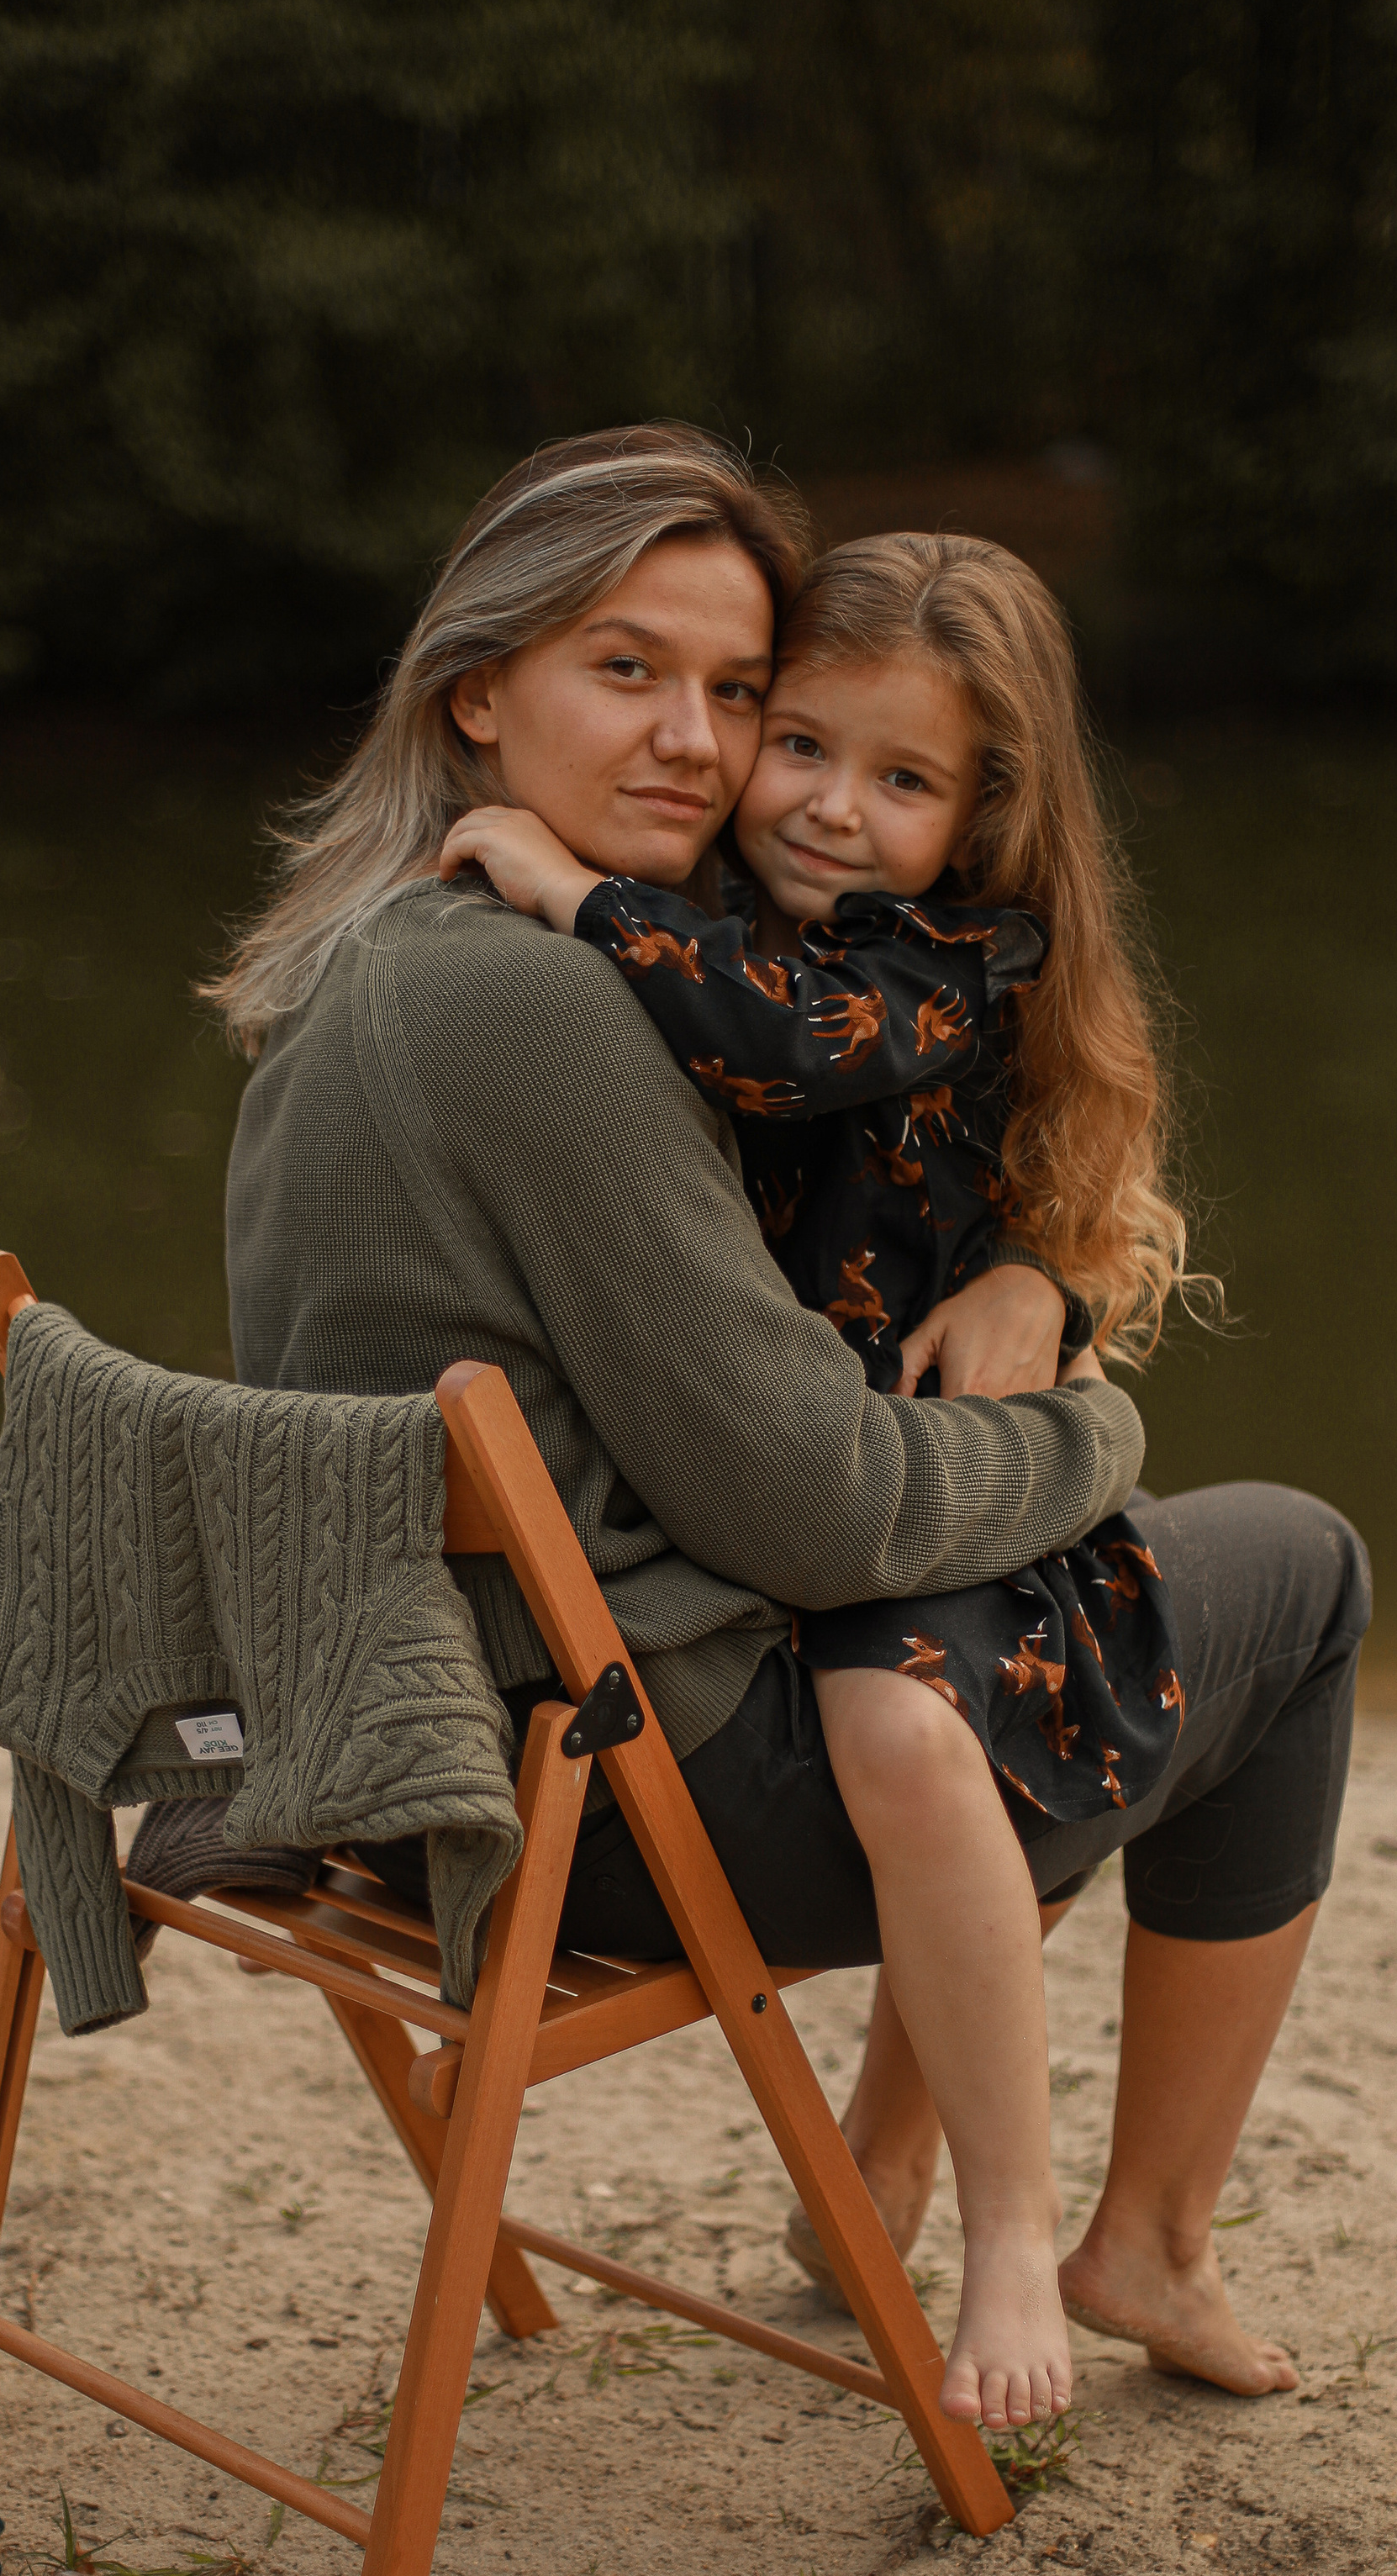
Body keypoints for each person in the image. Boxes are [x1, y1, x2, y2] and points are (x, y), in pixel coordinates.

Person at [209, 422, 1369, 2420]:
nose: (695, 739)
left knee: (1019, 1618)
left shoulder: (388, 953)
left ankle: (896, 2167)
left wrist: (1040, 1283)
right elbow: (822, 1505)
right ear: (478, 689)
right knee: (1285, 1579)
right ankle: (1138, 2239)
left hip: (395, 1751)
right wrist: (1088, 1420)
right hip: (603, 1811)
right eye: (624, 667)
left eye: (730, 689)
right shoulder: (550, 1001)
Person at [429, 532, 1184, 2431]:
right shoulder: (714, 919)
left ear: (979, 816)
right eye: (803, 746)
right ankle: (887, 2147)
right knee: (953, 1766)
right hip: (795, 1471)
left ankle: (1009, 2229)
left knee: (926, 1745)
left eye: (903, 780)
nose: (833, 810)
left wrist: (567, 888)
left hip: (918, 1465)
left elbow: (788, 1044)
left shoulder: (940, 959)